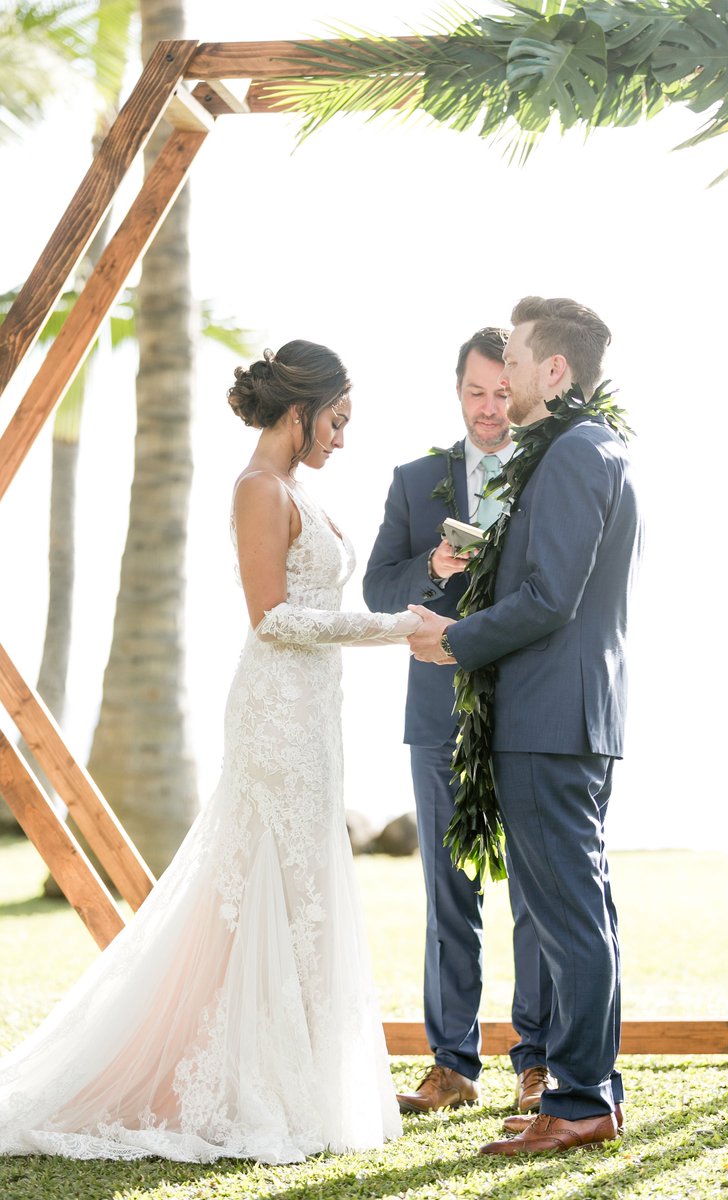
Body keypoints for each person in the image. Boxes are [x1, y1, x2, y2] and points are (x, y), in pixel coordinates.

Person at [0, 339, 420, 1163]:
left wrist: (415, 592)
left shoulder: (295, 486)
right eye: (336, 419)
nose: (342, 435)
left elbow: (322, 599)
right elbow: (272, 618)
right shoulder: (257, 489)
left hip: (313, 717)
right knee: (266, 886)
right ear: (298, 412)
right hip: (274, 719)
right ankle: (244, 1081)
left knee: (304, 894)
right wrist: (398, 631)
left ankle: (293, 1072)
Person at [408, 297, 643, 1156]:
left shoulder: (578, 452)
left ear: (554, 371)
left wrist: (454, 639)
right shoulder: (584, 448)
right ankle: (592, 1091)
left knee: (568, 915)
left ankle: (578, 1101)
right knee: (582, 910)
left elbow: (552, 597)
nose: (498, 379)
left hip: (551, 717)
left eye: (510, 359)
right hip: (564, 715)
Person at [363, 328, 555, 1116]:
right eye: (475, 393)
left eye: (500, 393)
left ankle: (539, 1063)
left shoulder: (553, 468)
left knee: (540, 891)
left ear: (520, 388)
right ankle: (452, 1066)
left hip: (531, 705)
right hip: (438, 713)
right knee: (449, 893)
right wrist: (430, 571)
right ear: (456, 391)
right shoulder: (416, 480)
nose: (489, 409)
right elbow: (377, 589)